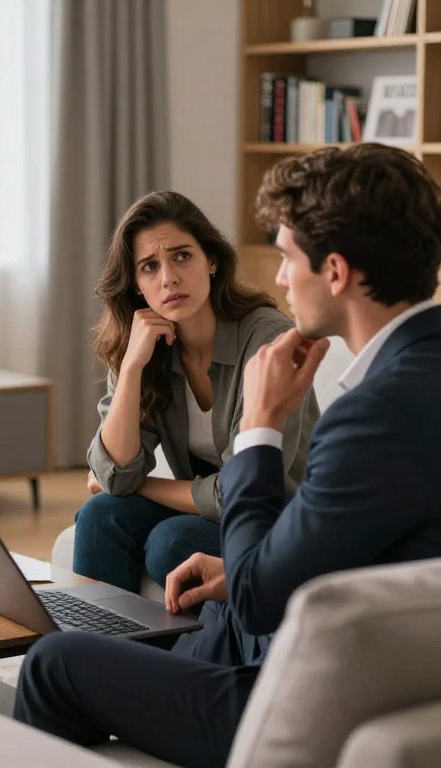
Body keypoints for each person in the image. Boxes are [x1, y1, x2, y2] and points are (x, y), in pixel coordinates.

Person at [14, 144, 441, 768]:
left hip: (313, 694)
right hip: (417, 668)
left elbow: (264, 598)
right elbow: (396, 545)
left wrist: (261, 427)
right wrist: (234, 571)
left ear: (336, 271)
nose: (282, 279)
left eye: (289, 258)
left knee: (52, 664)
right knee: (190, 615)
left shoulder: (374, 415)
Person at [74, 191, 319, 595]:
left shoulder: (266, 339)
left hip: (278, 518)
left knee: (172, 541)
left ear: (212, 261)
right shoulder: (143, 346)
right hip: (213, 509)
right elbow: (113, 475)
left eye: (182, 256)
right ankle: (98, 649)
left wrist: (142, 485)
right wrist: (132, 367)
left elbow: (239, 493)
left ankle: (169, 658)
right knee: (101, 514)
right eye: (149, 266)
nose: (168, 276)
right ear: (136, 286)